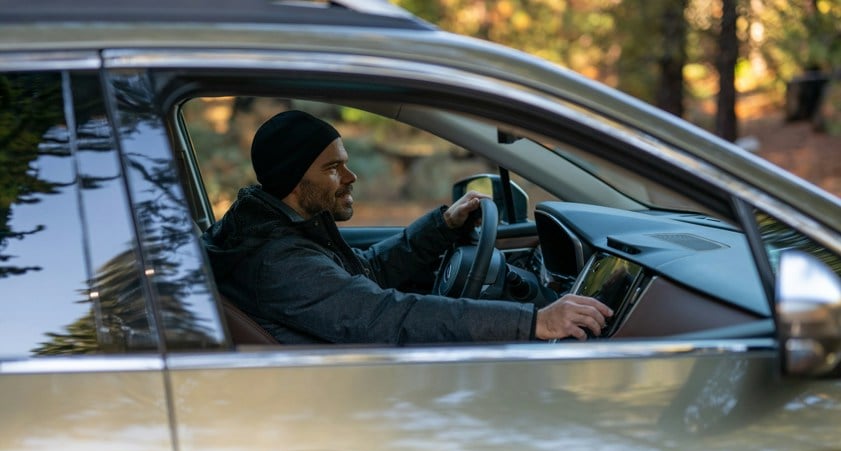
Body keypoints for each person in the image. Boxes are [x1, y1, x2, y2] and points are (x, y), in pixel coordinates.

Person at [202, 109, 612, 345]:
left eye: (344, 162)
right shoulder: (278, 261)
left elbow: (365, 273)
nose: (351, 177)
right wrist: (535, 321)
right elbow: (385, 317)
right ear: (293, 180)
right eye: (333, 168)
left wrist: (443, 225)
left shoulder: (285, 228)